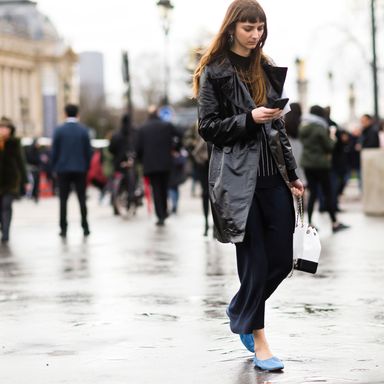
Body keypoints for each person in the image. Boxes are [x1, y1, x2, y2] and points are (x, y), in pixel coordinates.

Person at [193, 0, 304, 371]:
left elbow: (278, 128)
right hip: (239, 181)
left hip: (273, 177)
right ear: (231, 29)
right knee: (255, 263)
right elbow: (208, 128)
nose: (256, 35)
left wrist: (292, 174)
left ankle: (241, 308)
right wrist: (249, 118)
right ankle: (260, 341)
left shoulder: (267, 68)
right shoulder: (215, 71)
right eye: (248, 28)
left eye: (260, 28)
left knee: (282, 258)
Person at [299, 105, 349, 232]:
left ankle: (310, 222)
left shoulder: (303, 127)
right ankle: (334, 222)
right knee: (328, 193)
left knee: (313, 193)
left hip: (307, 164)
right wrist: (333, 137)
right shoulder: (320, 128)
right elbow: (329, 146)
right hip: (320, 164)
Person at [52, 104, 92, 238]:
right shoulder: (83, 130)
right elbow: (88, 151)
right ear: (77, 114)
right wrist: (86, 166)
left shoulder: (59, 130)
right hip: (80, 169)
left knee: (63, 200)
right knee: (82, 199)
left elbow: (54, 152)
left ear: (65, 114)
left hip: (63, 169)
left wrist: (55, 167)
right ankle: (85, 226)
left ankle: (63, 228)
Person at [136, 105, 175, 226]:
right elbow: (179, 135)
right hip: (165, 163)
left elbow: (138, 148)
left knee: (156, 190)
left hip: (150, 165)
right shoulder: (166, 125)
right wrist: (174, 148)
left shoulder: (142, 128)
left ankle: (160, 215)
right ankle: (165, 210)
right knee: (164, 188)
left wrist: (140, 160)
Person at [0, 117, 29, 244]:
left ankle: (6, 232)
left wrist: (25, 180)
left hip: (11, 180)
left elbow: (21, 161)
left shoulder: (15, 142)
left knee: (6, 205)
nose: (3, 130)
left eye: (5, 128)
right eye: (1, 127)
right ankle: (3, 226)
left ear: (10, 130)